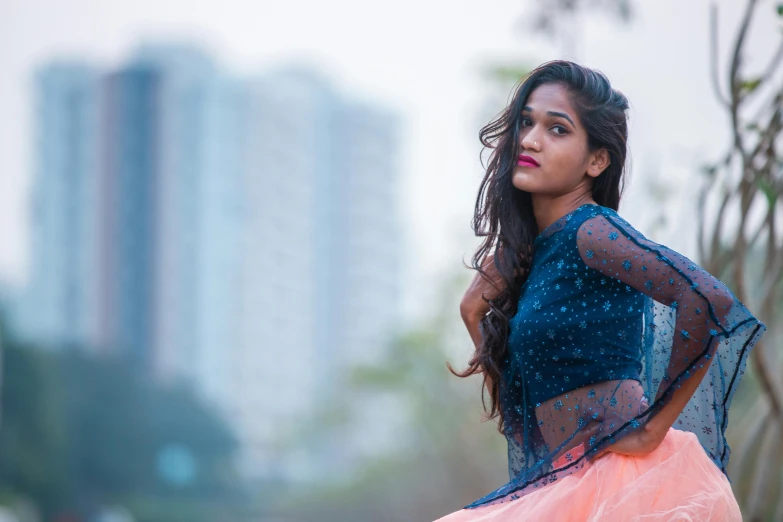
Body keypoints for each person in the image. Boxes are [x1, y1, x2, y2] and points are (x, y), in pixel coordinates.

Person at [436, 60, 767, 521]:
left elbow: (707, 299)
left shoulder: (593, 231)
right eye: (526, 122)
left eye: (557, 130)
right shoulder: (538, 250)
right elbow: (524, 418)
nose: (530, 140)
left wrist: (651, 431)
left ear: (596, 160)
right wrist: (473, 312)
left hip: (625, 484)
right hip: (567, 481)